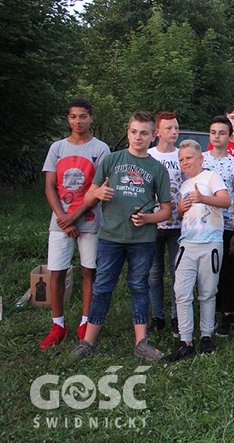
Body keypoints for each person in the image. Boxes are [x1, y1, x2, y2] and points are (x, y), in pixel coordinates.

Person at [72, 111, 171, 360]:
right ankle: (88, 342)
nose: (139, 137)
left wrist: (148, 218)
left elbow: (167, 210)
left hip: (143, 240)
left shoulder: (157, 169)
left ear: (153, 135)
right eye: (134, 131)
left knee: (139, 286)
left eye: (144, 133)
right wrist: (98, 194)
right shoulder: (111, 160)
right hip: (110, 236)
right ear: (128, 132)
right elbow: (87, 197)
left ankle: (141, 343)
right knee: (103, 286)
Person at [39, 98, 110, 349]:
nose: (78, 121)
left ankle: (85, 322)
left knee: (88, 270)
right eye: (73, 116)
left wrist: (75, 216)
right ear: (68, 119)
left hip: (89, 220)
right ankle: (57, 325)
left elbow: (101, 186)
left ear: (91, 118)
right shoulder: (57, 148)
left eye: (83, 116)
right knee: (56, 272)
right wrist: (63, 218)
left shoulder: (101, 149)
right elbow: (49, 186)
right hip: (61, 221)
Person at [164, 140, 230, 362]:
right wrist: (181, 211)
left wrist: (202, 198)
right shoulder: (184, 185)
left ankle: (206, 336)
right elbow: (182, 215)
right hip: (187, 244)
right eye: (181, 159)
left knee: (207, 292)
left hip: (210, 241)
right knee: (181, 291)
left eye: (189, 158)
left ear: (201, 159)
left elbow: (226, 200)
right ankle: (186, 341)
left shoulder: (211, 177)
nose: (184, 162)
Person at [203, 115, 234, 338]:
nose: (217, 136)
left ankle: (227, 313)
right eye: (213, 132)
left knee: (228, 271)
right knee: (209, 271)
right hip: (203, 226)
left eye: (222, 132)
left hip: (228, 225)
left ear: (230, 136)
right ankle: (206, 312)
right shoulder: (200, 160)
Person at [147, 111, 183, 337]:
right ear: (157, 132)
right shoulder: (148, 156)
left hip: (178, 224)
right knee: (153, 272)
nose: (173, 132)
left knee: (177, 271)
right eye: (168, 128)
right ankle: (157, 315)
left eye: (176, 128)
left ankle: (177, 315)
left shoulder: (182, 155)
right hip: (152, 224)